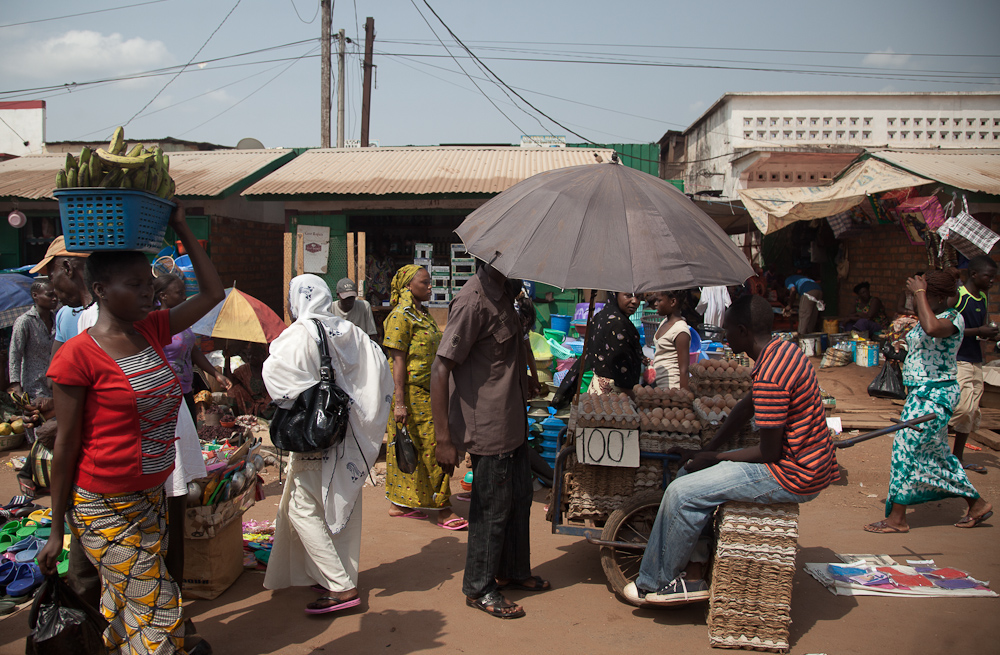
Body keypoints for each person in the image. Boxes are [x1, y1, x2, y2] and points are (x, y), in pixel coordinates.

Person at [38, 206, 224, 655]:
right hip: (101, 505)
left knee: (128, 605)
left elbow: (213, 292)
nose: (150, 294)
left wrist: (181, 228)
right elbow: (65, 445)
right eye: (136, 285)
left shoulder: (151, 329)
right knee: (159, 607)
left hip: (149, 496)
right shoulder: (76, 357)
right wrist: (56, 530)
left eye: (150, 284)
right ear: (100, 290)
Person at [623, 295, 838, 606]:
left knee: (682, 493)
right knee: (689, 472)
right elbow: (743, 409)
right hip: (794, 463)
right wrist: (708, 449)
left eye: (727, 331)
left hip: (794, 472)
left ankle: (656, 582)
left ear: (743, 331)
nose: (724, 337)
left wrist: (714, 457)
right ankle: (695, 567)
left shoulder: (772, 376)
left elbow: (769, 453)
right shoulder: (781, 351)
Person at [262, 274, 392, 614]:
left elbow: (275, 381)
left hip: (314, 435)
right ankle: (335, 572)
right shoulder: (350, 331)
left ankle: (340, 585)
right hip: (345, 435)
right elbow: (379, 372)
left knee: (302, 507)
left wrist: (303, 397)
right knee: (340, 504)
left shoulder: (295, 335)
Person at [431, 260, 548, 620]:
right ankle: (479, 587)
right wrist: (443, 438)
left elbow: (512, 346)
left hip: (512, 419)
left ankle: (512, 570)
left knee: (519, 497)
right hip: (488, 426)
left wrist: (527, 376)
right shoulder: (472, 302)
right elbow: (441, 368)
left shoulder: (507, 294)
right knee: (492, 507)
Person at [864, 271, 993, 534]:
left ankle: (897, 519)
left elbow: (932, 329)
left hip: (934, 395)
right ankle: (976, 504)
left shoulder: (952, 318)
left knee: (906, 450)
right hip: (920, 393)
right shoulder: (927, 316)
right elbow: (923, 346)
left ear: (941, 297)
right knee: (936, 456)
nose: (915, 302)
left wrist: (920, 292)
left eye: (922, 297)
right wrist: (900, 354)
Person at [382, 265, 465, 528]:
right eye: (425, 282)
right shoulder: (400, 317)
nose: (430, 286)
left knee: (411, 447)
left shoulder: (423, 315)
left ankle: (399, 505)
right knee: (433, 448)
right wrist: (400, 403)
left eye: (430, 282)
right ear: (408, 286)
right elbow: (397, 361)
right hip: (411, 395)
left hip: (429, 391)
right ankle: (443, 509)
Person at [154, 273, 232, 413]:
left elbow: (192, 350)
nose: (184, 297)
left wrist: (215, 374)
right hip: (166, 395)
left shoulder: (181, 322)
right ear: (163, 296)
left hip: (186, 390)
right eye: (179, 293)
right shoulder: (155, 325)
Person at [948, 257, 998, 475]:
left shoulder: (983, 298)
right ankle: (936, 450)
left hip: (976, 360)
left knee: (972, 412)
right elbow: (946, 328)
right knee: (962, 408)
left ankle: (957, 458)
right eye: (989, 276)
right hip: (958, 360)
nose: (992, 281)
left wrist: (990, 333)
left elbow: (981, 327)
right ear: (974, 274)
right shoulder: (958, 296)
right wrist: (978, 331)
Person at [8, 279, 58, 407]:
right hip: (33, 388)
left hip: (55, 386)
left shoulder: (58, 320)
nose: (54, 299)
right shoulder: (25, 322)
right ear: (36, 296)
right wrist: (16, 385)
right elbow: (15, 354)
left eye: (55, 295)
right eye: (49, 295)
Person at [584, 291, 644, 395]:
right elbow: (620, 369)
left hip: (596, 390)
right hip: (614, 395)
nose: (635, 301)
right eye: (628, 295)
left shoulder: (602, 315)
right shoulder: (618, 324)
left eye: (638, 297)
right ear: (615, 295)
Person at [651, 290, 690, 390]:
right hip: (660, 385)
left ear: (672, 302)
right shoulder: (664, 322)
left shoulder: (680, 331)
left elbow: (684, 370)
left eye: (659, 300)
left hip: (672, 387)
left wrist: (683, 398)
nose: (655, 304)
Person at [227, 342, 273, 417]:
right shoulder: (244, 370)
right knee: (234, 390)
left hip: (266, 403)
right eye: (249, 354)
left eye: (255, 355)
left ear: (263, 355)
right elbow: (230, 382)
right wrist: (227, 359)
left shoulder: (270, 369)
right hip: (249, 402)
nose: (250, 357)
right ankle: (238, 418)